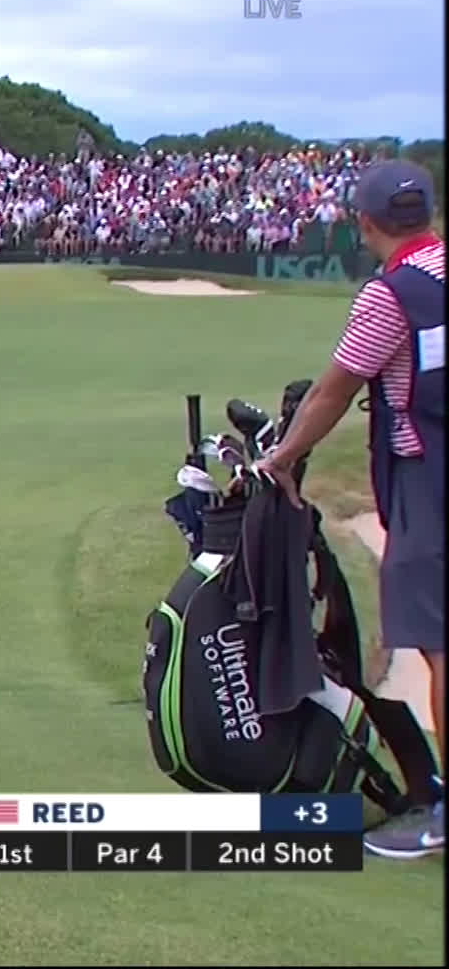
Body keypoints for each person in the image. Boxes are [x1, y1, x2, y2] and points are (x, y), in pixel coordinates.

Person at [254, 159, 444, 860]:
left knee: (439, 643)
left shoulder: (389, 296)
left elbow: (334, 390)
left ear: (364, 223)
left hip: (428, 481)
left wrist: (280, 458)